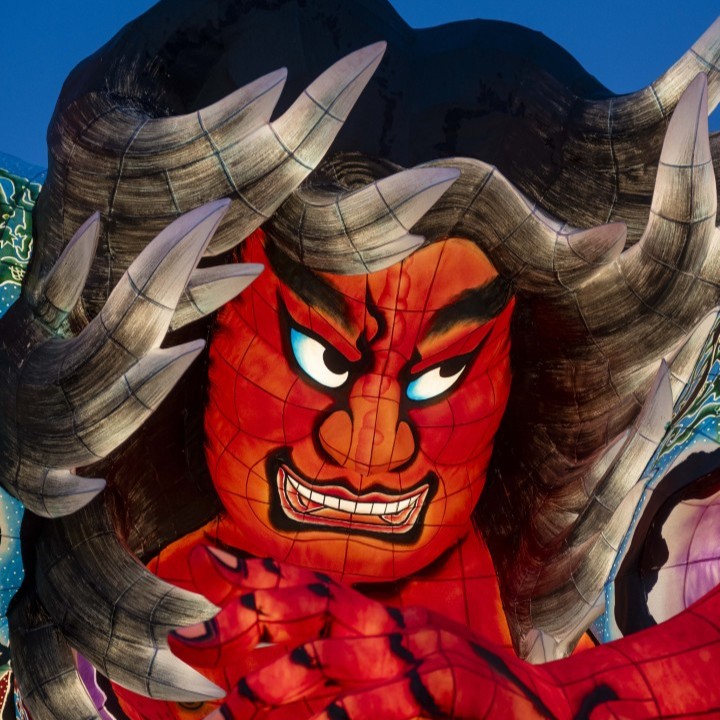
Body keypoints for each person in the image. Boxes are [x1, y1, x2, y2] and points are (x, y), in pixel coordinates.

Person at [4, 2, 720, 718]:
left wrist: (551, 696)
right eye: (321, 357)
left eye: (441, 373)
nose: (371, 446)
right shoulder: (112, 644)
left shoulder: (578, 640)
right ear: (204, 334)